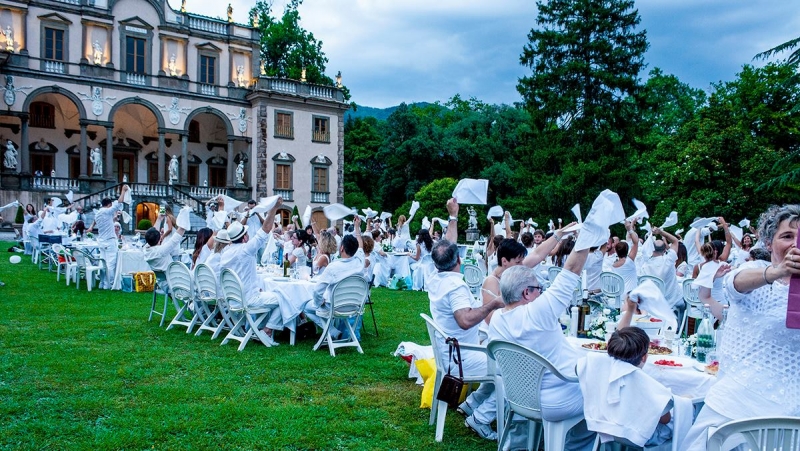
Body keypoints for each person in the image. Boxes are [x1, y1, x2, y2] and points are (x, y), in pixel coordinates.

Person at [683, 204, 800, 451]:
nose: (795, 243)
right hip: (736, 407)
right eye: (787, 236)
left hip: (792, 417)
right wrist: (777, 271)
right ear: (768, 243)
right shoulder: (754, 271)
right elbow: (734, 283)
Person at [487, 247, 597, 450]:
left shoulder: (496, 320)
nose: (541, 292)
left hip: (518, 397)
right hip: (556, 400)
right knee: (602, 391)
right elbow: (571, 269)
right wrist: (589, 237)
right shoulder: (538, 312)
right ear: (526, 292)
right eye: (539, 288)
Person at [428, 198, 503, 441]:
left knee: (499, 360)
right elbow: (464, 320)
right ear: (458, 261)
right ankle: (481, 418)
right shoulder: (455, 287)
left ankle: (472, 403)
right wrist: (493, 304)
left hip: (450, 353)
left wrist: (453, 216)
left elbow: (447, 245)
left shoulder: (436, 277)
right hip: (462, 359)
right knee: (511, 368)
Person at [577, 327, 673, 447]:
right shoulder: (646, 384)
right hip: (638, 435)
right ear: (644, 357)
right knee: (684, 413)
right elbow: (665, 419)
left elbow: (577, 370)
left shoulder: (596, 365)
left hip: (605, 425)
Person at [218, 199, 284, 346]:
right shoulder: (246, 250)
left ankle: (258, 328)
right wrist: (274, 208)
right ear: (245, 237)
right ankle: (267, 330)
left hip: (232, 299)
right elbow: (265, 229)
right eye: (247, 233)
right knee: (282, 298)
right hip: (247, 300)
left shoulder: (225, 252)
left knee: (265, 293)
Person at [304, 216, 366, 332]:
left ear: (341, 248)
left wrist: (318, 302)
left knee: (305, 307)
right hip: (354, 306)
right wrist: (357, 227)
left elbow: (317, 291)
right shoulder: (360, 263)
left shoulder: (333, 267)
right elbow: (360, 246)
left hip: (334, 307)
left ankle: (332, 332)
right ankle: (334, 331)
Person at [639, 227, 684, 313]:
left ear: (652, 249)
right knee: (683, 303)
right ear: (665, 250)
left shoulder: (645, 265)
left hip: (654, 303)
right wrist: (660, 232)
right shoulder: (669, 260)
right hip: (672, 301)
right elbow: (675, 241)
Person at [95, 184, 129, 289]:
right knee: (110, 264)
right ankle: (109, 284)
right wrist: (123, 191)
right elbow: (119, 203)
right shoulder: (107, 210)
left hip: (101, 241)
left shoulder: (98, 213)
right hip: (109, 241)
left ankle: (102, 283)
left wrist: (114, 218)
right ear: (109, 205)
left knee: (103, 263)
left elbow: (107, 222)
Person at [611, 220, 639, 295]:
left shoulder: (613, 265)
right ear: (627, 250)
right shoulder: (629, 261)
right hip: (631, 294)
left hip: (618, 295)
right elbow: (636, 242)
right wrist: (630, 229)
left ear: (616, 251)